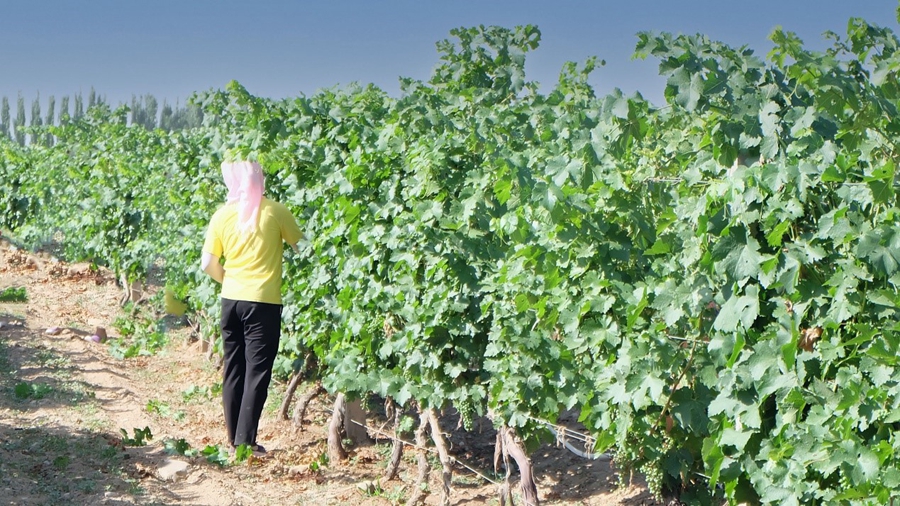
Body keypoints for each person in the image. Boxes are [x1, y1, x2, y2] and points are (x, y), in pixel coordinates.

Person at [201, 160, 302, 456]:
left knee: (233, 368)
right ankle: (246, 443)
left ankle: (234, 438)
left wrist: (228, 281)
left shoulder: (222, 215)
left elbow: (207, 263)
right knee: (257, 371)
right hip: (263, 301)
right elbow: (305, 247)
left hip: (230, 300)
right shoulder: (276, 211)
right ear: (261, 181)